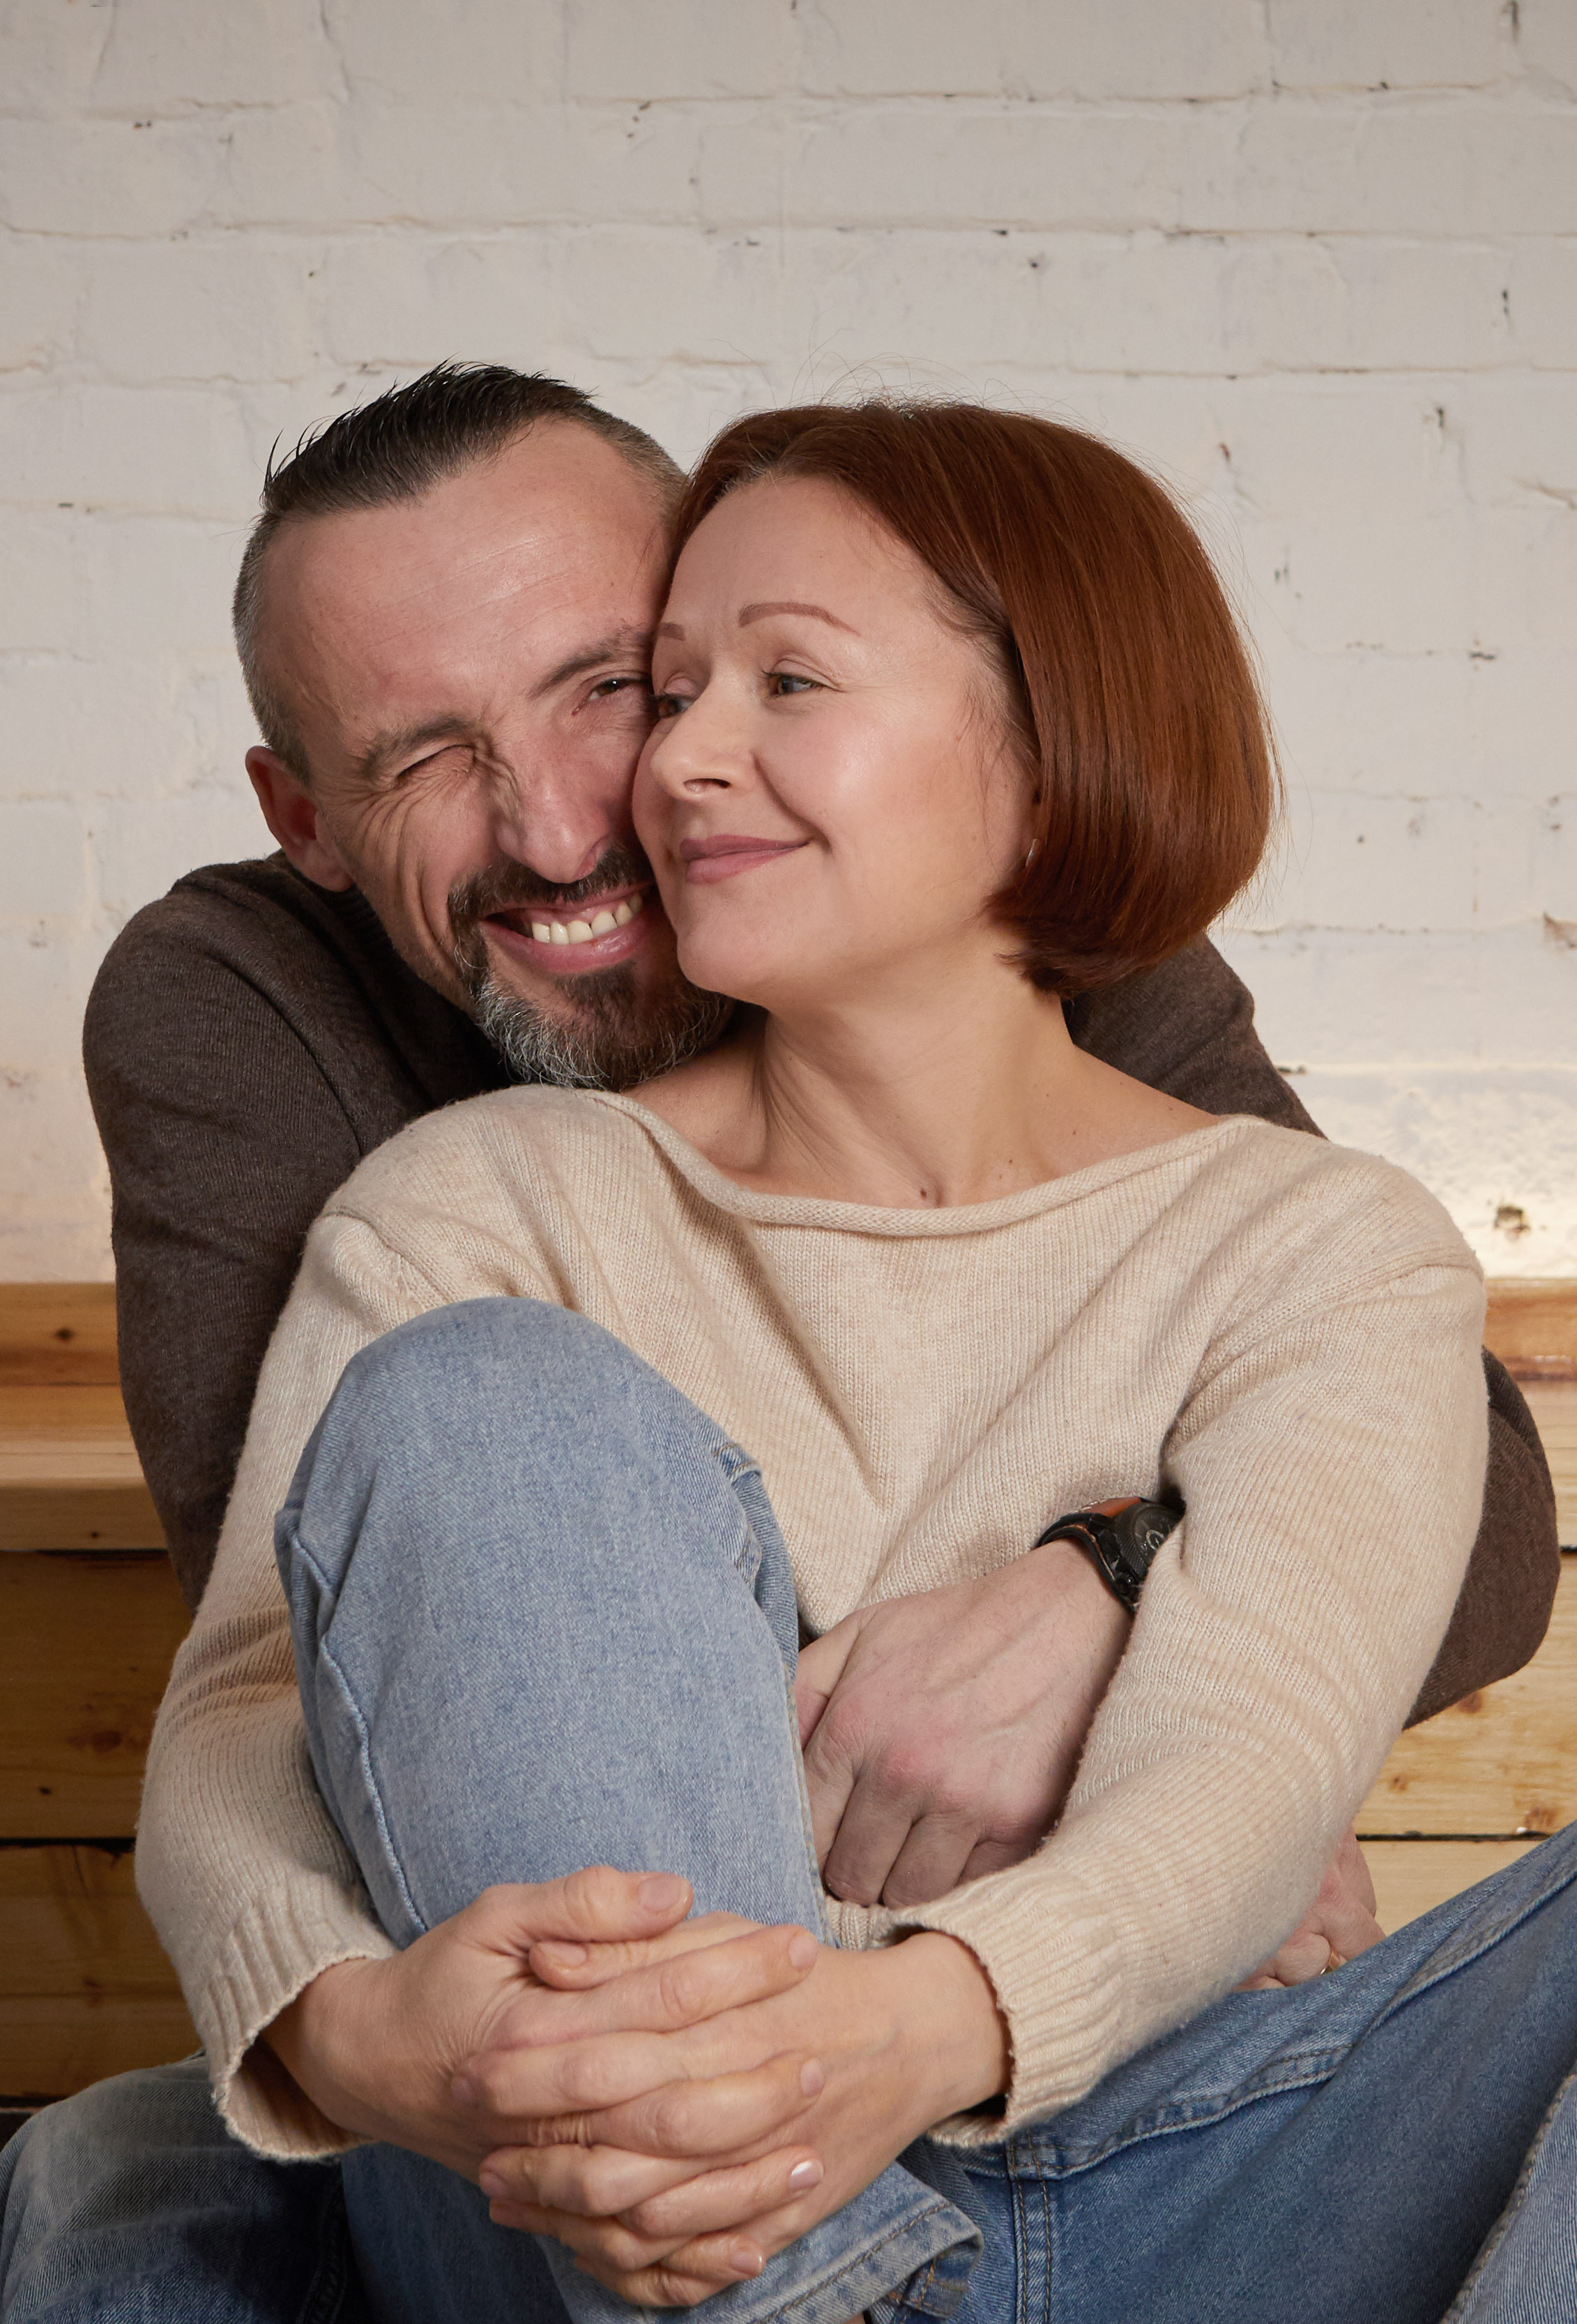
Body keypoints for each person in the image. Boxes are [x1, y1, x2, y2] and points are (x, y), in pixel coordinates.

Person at [0, 370, 1555, 2322]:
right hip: (615, 2178)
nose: (609, 805)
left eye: (628, 687)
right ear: (303, 814)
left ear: (1041, 761)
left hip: (1158, 2127)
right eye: (424, 758)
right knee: (140, 2156)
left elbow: (1354, 1621)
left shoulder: (1261, 1188)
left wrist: (1129, 1675)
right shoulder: (445, 1192)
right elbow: (305, 1689)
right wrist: (348, 2027)